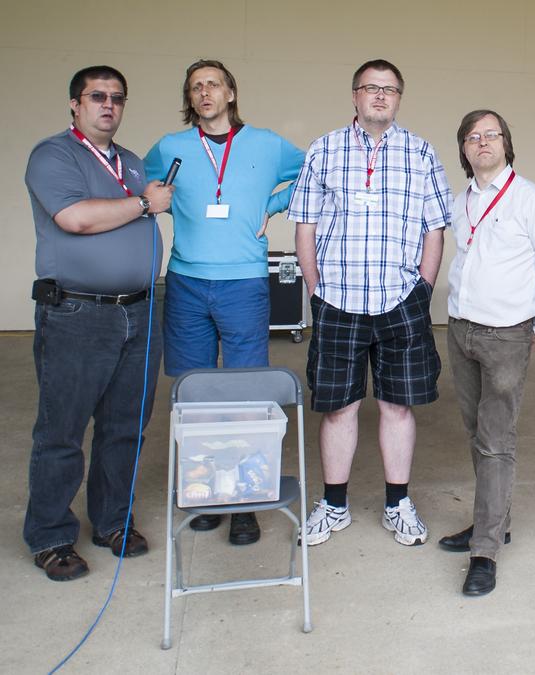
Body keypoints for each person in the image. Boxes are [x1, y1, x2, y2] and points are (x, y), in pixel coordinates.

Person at [288, 59, 451, 546]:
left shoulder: (421, 153)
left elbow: (435, 226)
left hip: (400, 299)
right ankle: (333, 505)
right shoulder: (325, 150)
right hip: (337, 299)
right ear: (354, 96)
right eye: (371, 88)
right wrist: (314, 287)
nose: (380, 96)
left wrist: (423, 287)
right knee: (338, 407)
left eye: (390, 89)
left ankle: (398, 503)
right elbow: (305, 223)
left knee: (398, 406)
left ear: (399, 98)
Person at [144, 59, 305, 545]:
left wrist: (273, 206)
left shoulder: (267, 144)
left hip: (243, 285)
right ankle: (207, 493)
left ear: (231, 93)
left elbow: (315, 174)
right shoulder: (169, 148)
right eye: (196, 87)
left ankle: (247, 501)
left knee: (246, 396)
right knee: (195, 396)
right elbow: (143, 188)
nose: (205, 92)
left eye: (213, 84)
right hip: (188, 282)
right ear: (189, 99)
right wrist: (157, 198)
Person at [24, 65, 173, 580]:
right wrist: (143, 204)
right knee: (62, 431)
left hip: (137, 311)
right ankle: (51, 536)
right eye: (97, 96)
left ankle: (112, 521)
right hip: (77, 312)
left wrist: (141, 200)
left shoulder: (130, 163)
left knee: (125, 427)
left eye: (117, 98)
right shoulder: (54, 155)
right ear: (75, 103)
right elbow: (76, 218)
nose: (108, 105)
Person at [437, 109, 535, 595]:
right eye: (473, 137)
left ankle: (486, 550)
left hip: (506, 335)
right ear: (464, 150)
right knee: (477, 433)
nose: (482, 142)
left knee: (496, 440)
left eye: (491, 134)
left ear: (506, 144)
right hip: (461, 329)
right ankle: (493, 519)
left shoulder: (533, 201)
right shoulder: (459, 201)